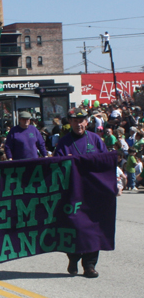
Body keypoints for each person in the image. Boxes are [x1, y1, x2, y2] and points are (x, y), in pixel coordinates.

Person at [54, 107, 108, 278]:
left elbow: (106, 162)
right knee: (75, 228)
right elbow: (57, 166)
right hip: (73, 193)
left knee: (93, 229)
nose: (79, 124)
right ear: (70, 122)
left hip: (93, 193)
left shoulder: (96, 140)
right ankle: (73, 258)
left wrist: (115, 183)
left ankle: (90, 265)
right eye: (75, 121)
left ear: (86, 122)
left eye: (81, 120)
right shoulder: (64, 142)